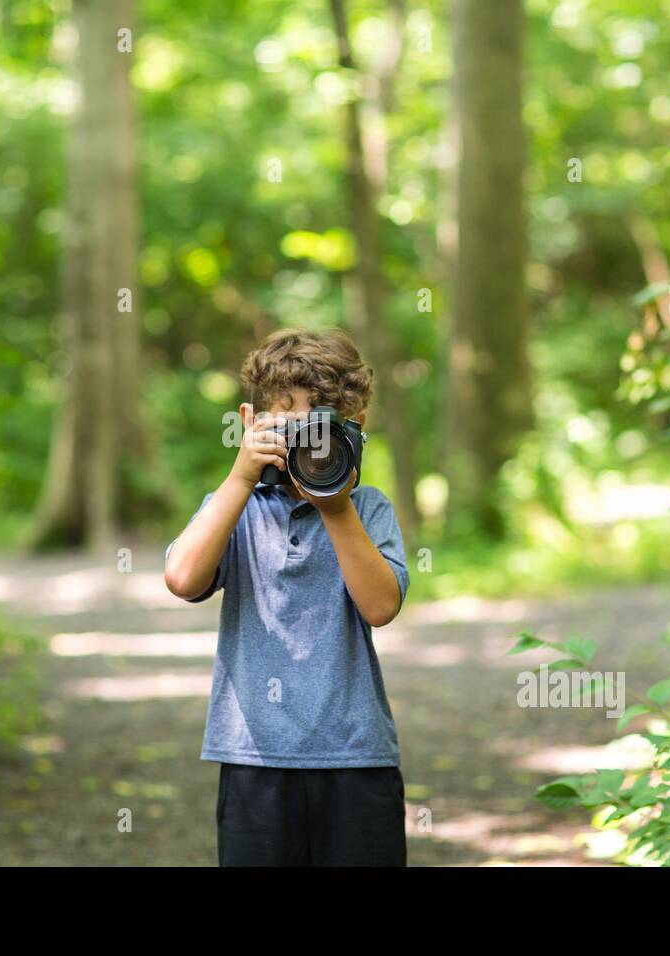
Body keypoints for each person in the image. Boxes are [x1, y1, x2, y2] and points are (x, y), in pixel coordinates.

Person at [164, 327, 410, 866]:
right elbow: (182, 580)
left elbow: (380, 607)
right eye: (287, 426)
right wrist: (239, 477)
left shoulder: (366, 510)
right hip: (253, 757)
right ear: (252, 424)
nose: (306, 445)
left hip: (356, 758)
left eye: (321, 430)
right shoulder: (235, 508)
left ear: (356, 431)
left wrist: (334, 504)